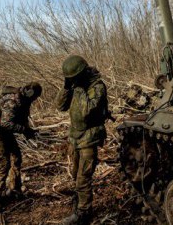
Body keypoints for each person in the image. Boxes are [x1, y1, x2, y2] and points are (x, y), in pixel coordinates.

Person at [57, 55, 109, 225]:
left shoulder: (97, 87)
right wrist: (66, 88)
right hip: (75, 137)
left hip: (89, 137)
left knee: (83, 178)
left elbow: (85, 113)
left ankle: (84, 213)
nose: (72, 81)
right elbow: (60, 106)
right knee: (75, 174)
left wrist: (78, 89)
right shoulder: (75, 85)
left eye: (73, 78)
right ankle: (78, 203)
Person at [0, 82, 42, 196]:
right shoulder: (12, 100)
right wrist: (23, 130)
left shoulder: (25, 101)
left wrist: (28, 131)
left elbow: (22, 119)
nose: (34, 99)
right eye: (34, 97)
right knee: (3, 165)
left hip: (4, 131)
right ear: (29, 93)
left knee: (16, 158)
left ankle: (14, 189)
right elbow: (5, 123)